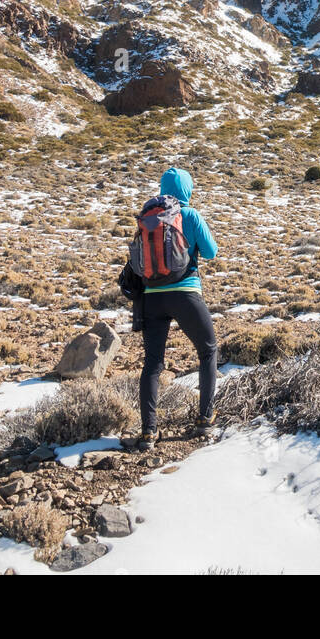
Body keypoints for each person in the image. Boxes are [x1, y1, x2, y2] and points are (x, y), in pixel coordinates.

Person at [134, 167, 219, 450]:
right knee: (207, 350)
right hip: (185, 294)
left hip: (151, 298)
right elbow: (210, 252)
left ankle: (148, 432)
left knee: (153, 364)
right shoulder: (190, 215)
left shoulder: (149, 216)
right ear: (187, 189)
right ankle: (205, 419)